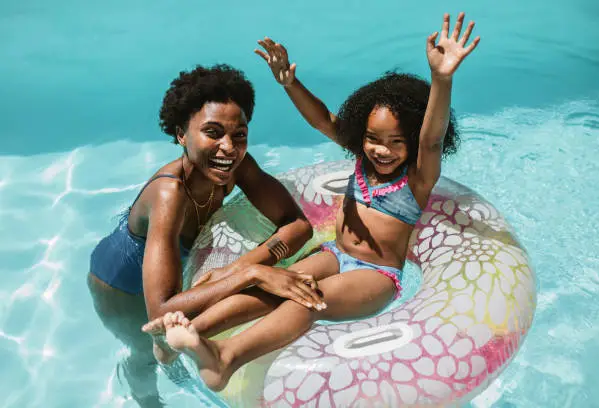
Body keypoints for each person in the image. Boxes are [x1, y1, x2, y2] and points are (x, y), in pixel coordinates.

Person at [144, 12, 479, 392]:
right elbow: (323, 120)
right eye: (372, 138)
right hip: (335, 253)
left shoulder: (416, 179)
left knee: (307, 301)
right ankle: (187, 332)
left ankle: (225, 358)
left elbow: (432, 138)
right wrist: (290, 83)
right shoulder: (362, 159)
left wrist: (442, 77)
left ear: (412, 143)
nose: (381, 150)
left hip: (376, 275)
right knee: (277, 286)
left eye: (396, 142)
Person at [87, 64, 325, 407]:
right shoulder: (170, 194)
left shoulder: (235, 166)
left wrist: (246, 263)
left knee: (176, 349)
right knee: (147, 354)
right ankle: (147, 400)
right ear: (181, 133)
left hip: (169, 270)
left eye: (239, 134)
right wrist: (252, 274)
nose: (228, 147)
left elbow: (297, 224)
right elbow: (159, 310)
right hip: (120, 286)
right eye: (212, 133)